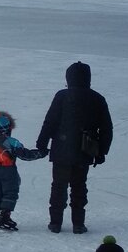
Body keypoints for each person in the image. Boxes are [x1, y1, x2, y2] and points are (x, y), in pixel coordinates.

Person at [37, 61, 113, 234]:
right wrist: (101, 152)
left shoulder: (62, 96)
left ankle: (55, 223)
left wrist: (41, 144)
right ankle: (78, 224)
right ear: (88, 78)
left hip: (61, 152)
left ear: (69, 77)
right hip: (84, 152)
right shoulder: (97, 98)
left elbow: (50, 122)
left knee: (58, 187)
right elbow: (107, 128)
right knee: (79, 187)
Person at [0, 111, 45, 231]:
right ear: (6, 127)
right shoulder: (11, 142)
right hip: (8, 170)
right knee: (10, 192)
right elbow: (25, 155)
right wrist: (40, 153)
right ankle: (5, 217)